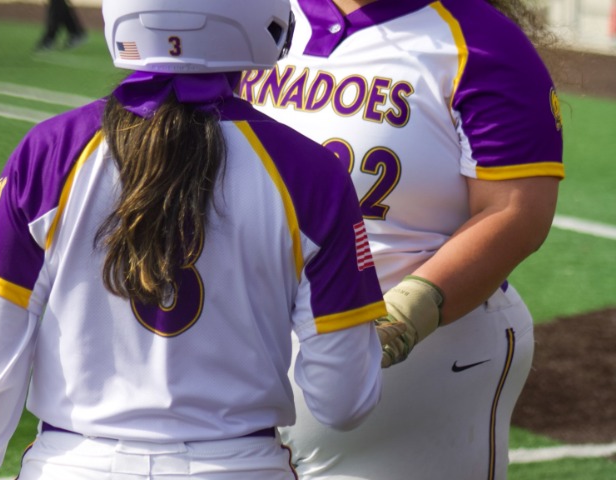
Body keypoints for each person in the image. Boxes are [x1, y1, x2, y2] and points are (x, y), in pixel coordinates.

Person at [0, 1, 392, 479]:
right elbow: (343, 401)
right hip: (239, 467)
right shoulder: (311, 172)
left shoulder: (47, 153)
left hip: (71, 464)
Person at [242, 0, 565, 478]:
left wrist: (409, 313)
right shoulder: (251, 14)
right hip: (237, 348)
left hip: (409, 360)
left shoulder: (482, 43)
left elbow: (517, 212)